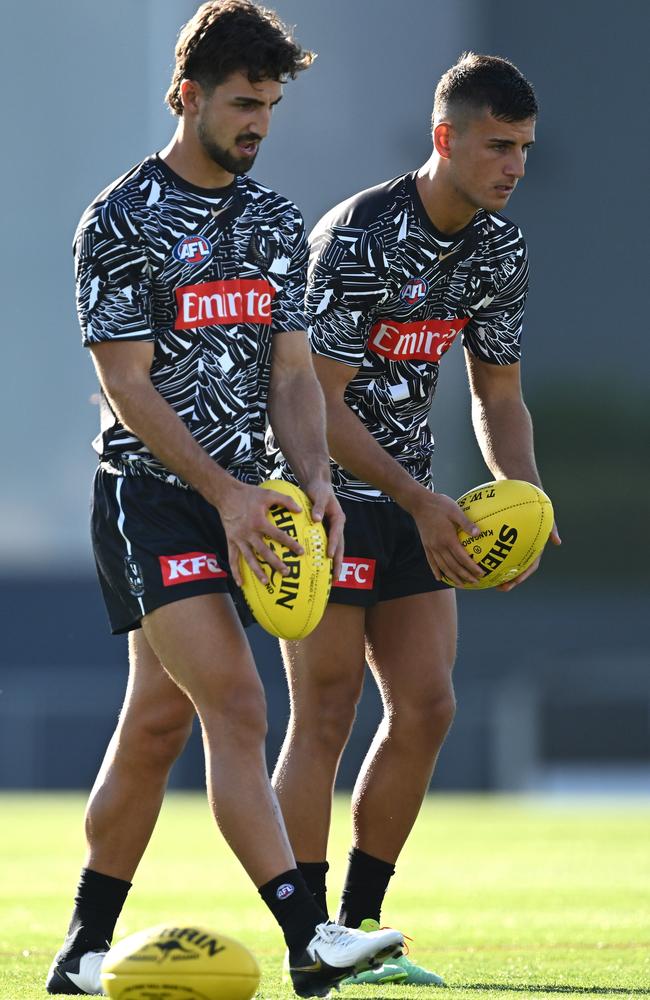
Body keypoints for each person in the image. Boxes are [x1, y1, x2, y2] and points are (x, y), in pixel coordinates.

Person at [46, 2, 405, 996]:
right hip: (151, 498)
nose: (258, 123)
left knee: (155, 723)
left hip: (249, 503)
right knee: (238, 703)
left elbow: (292, 376)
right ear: (186, 95)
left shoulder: (275, 221)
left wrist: (314, 480)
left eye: (271, 106)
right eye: (243, 103)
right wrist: (225, 493)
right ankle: (307, 935)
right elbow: (127, 382)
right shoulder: (118, 220)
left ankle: (80, 950)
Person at [271, 52, 562, 987]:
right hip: (327, 496)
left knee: (429, 706)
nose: (514, 166)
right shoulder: (360, 237)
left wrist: (525, 492)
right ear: (446, 138)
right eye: (497, 146)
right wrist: (416, 500)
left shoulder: (500, 248)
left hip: (415, 501)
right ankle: (308, 940)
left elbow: (499, 393)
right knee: (326, 710)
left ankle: (364, 927)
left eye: (523, 148)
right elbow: (316, 401)